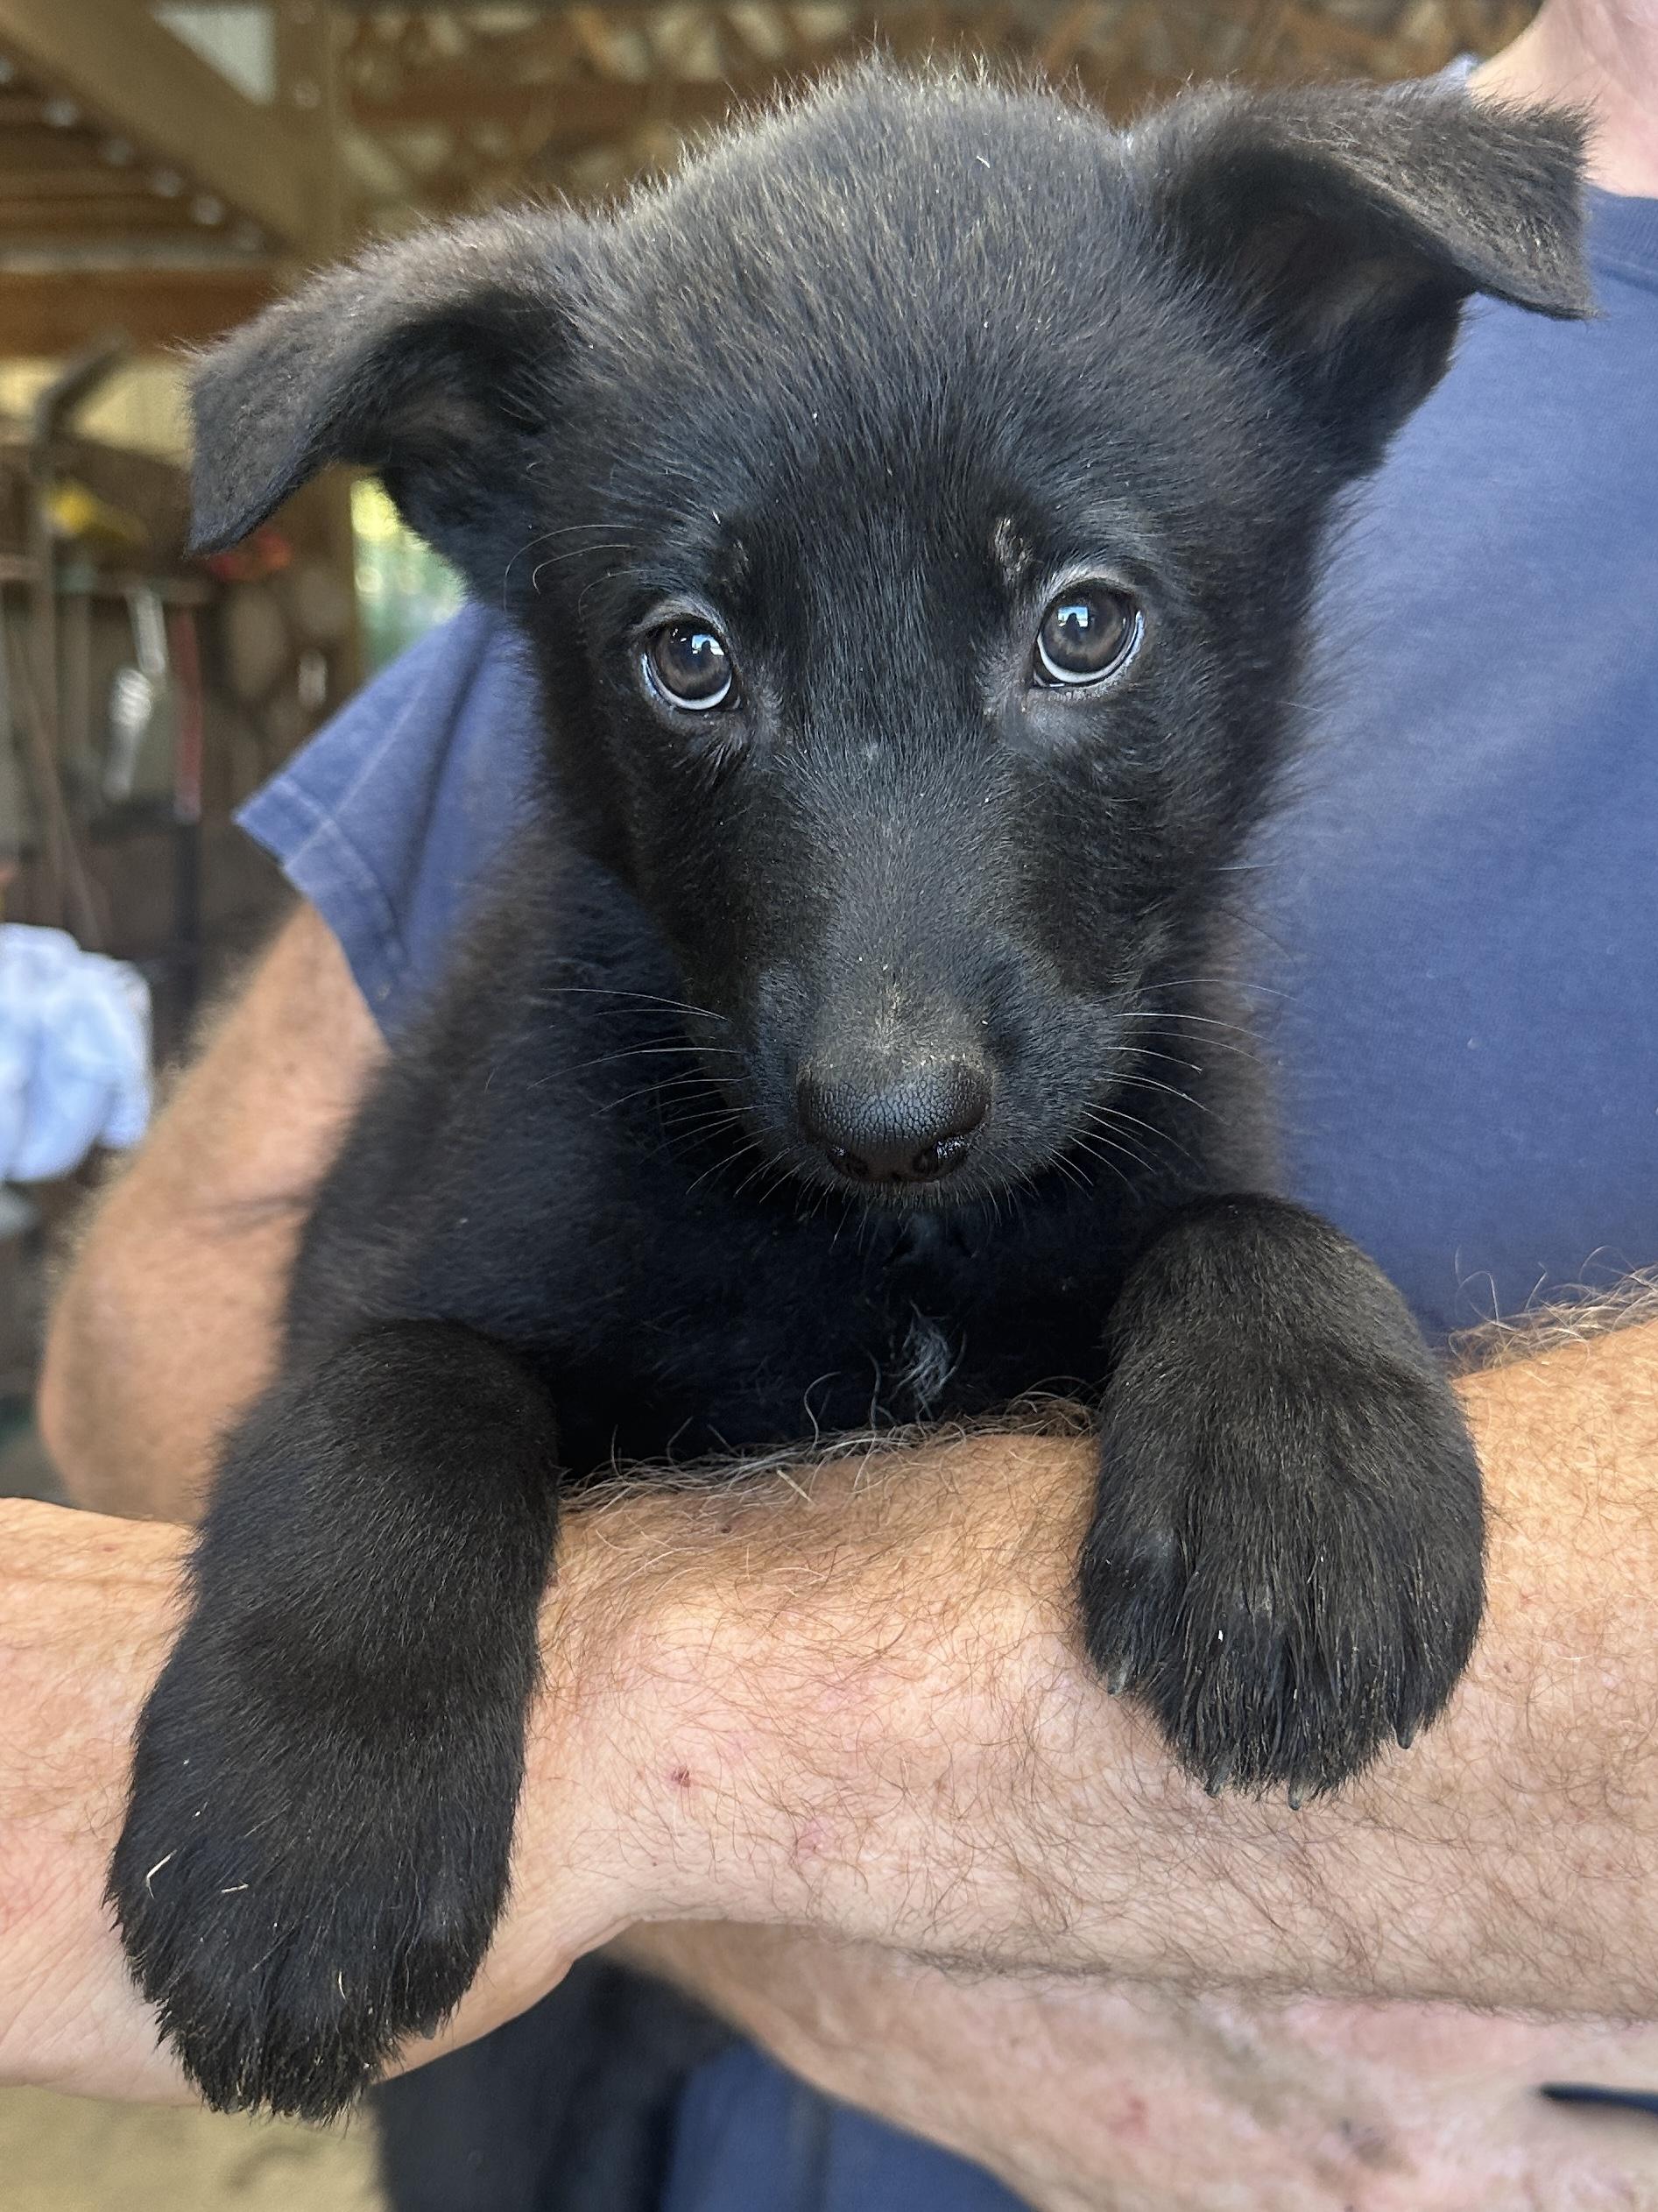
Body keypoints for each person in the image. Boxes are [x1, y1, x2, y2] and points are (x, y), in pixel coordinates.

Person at [5, 0, 1656, 2202]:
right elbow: (358, 1330)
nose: (887, 1056)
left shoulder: (1263, 275)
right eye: (696, 659)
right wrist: (402, 1533)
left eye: (1078, 629)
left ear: (1338, 343)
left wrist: (1261, 1296)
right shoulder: (583, 1064)